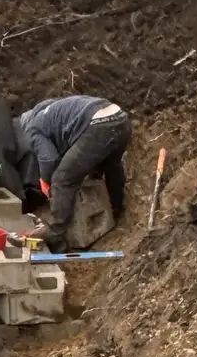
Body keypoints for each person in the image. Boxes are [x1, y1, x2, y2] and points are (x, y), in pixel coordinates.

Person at [14, 94, 131, 252]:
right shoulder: (56, 112)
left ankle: (55, 234)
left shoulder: (33, 128)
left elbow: (49, 160)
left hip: (97, 126)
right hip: (120, 118)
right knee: (110, 165)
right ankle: (117, 207)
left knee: (62, 180)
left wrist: (48, 183)